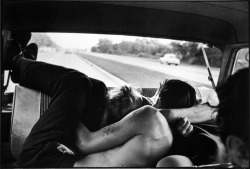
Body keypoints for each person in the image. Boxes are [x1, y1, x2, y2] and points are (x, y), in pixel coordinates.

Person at [3, 33, 193, 167]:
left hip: (43, 160)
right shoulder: (166, 138)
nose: (147, 99)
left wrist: (64, 105)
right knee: (96, 88)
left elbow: (85, 142)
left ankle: (14, 61)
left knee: (76, 84)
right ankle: (28, 68)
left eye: (154, 96)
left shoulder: (151, 117)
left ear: (160, 96)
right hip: (63, 159)